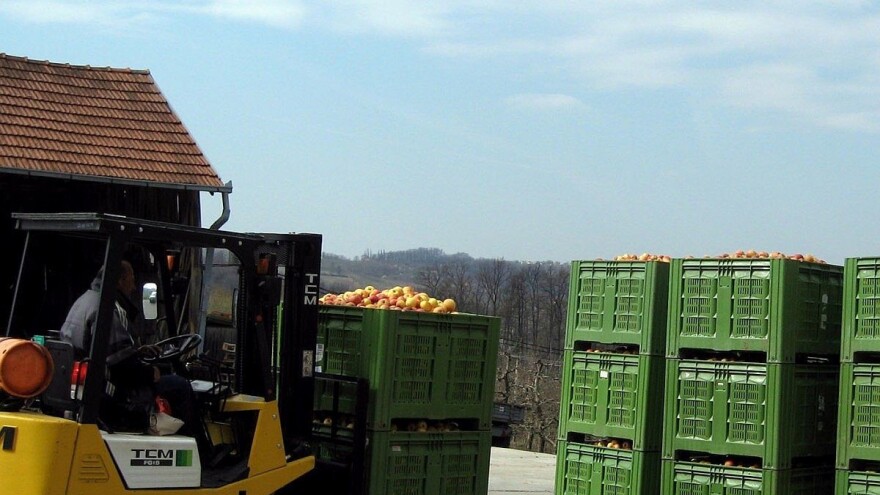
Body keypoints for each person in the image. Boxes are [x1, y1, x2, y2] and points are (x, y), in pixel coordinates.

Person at [60, 261, 205, 447]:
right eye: (132, 280)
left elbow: (110, 349)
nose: (134, 286)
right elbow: (121, 365)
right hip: (114, 393)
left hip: (92, 386)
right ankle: (199, 450)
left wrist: (137, 351)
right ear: (120, 280)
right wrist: (149, 372)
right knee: (180, 386)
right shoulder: (108, 309)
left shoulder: (85, 300)